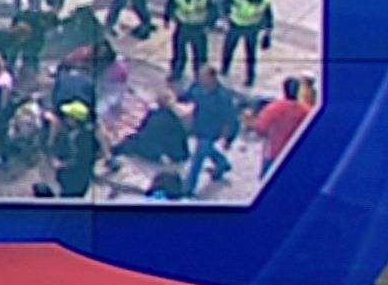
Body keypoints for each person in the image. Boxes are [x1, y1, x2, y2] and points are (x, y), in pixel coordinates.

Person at [178, 65, 239, 196]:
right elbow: (187, 96)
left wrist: (228, 138)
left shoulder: (223, 96)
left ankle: (188, 187)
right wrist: (177, 96)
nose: (201, 79)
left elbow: (231, 118)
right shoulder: (197, 86)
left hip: (213, 130)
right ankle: (222, 163)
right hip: (199, 126)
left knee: (198, 157)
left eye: (204, 77)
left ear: (212, 78)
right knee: (206, 149)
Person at [248, 76, 311, 178]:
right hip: (295, 154)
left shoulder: (274, 108)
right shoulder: (306, 111)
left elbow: (260, 128)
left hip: (273, 154)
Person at [113, 91, 192, 167]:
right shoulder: (174, 121)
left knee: (128, 143)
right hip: (158, 153)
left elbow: (142, 131)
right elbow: (179, 145)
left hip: (147, 149)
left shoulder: (154, 115)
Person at [220, 0, 275, 87]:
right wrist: (225, 17)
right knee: (228, 49)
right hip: (236, 25)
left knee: (250, 54)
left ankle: (250, 78)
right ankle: (224, 69)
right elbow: (225, 3)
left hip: (252, 28)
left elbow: (269, 17)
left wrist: (267, 33)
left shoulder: (264, 1)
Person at [164, 0, 213, 83]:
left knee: (200, 54)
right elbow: (170, 6)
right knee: (178, 52)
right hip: (183, 26)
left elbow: (213, 11)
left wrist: (209, 25)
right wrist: (167, 19)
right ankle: (177, 72)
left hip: (198, 27)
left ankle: (200, 76)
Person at [49, 100, 103, 197]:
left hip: (77, 180)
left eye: (68, 116)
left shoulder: (84, 138)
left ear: (75, 119)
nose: (65, 119)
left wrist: (62, 164)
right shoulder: (69, 134)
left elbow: (81, 160)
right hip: (66, 179)